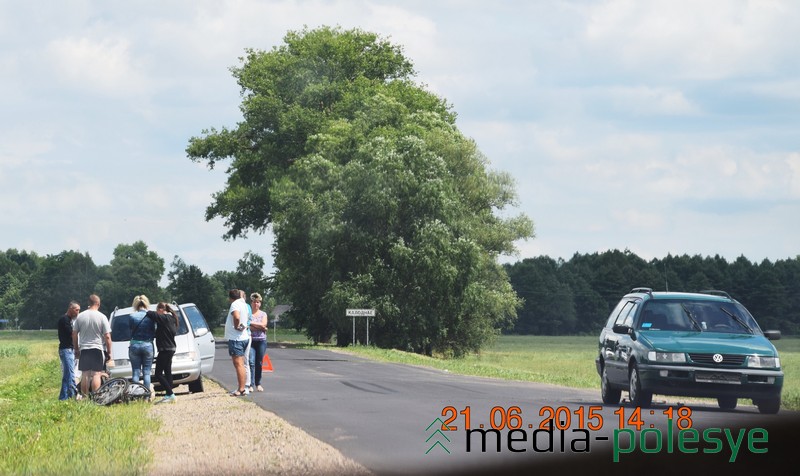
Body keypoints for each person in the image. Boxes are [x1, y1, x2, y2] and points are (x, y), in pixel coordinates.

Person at [72, 294, 112, 395]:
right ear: (98, 303)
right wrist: (109, 352)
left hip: (84, 349)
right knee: (96, 374)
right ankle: (96, 396)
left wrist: (76, 349)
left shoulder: (80, 316)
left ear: (89, 303)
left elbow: (74, 334)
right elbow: (107, 336)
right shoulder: (102, 317)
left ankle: (85, 396)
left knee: (85, 374)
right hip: (97, 348)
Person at [151, 302, 180, 404]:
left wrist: (145, 311)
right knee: (167, 372)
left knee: (158, 373)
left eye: (157, 310)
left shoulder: (165, 318)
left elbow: (152, 315)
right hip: (171, 348)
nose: (156, 312)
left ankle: (171, 394)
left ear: (160, 310)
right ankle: (168, 395)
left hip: (165, 349)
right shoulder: (171, 318)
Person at [129, 295, 156, 398]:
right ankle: (147, 396)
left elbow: (131, 330)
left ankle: (136, 395)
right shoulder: (151, 316)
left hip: (134, 344)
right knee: (146, 372)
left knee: (135, 371)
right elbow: (154, 330)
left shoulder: (132, 316)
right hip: (148, 345)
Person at [225, 289, 250, 396]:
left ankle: (241, 389)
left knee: (238, 364)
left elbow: (236, 316)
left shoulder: (235, 304)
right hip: (244, 337)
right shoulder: (244, 304)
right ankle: (243, 388)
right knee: (242, 364)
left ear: (230, 298)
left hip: (236, 338)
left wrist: (236, 326)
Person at [57, 301, 80, 400]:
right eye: (76, 310)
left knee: (67, 375)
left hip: (69, 349)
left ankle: (64, 397)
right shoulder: (64, 319)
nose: (78, 312)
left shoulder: (70, 320)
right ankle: (74, 395)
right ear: (70, 308)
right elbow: (72, 334)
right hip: (66, 349)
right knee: (70, 374)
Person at [248, 293, 268, 392]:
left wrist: (251, 323)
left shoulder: (263, 314)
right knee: (251, 362)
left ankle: (258, 383)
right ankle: (250, 384)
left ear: (260, 303)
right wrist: (259, 326)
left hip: (261, 341)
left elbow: (264, 324)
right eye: (254, 302)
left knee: (259, 362)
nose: (256, 304)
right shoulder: (248, 314)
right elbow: (249, 327)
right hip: (251, 341)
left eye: (258, 302)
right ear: (251, 303)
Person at [240, 289, 253, 394]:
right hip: (238, 336)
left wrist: (241, 326)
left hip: (246, 334)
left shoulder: (247, 306)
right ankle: (241, 385)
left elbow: (249, 320)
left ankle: (247, 385)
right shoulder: (236, 306)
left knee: (245, 360)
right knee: (240, 362)